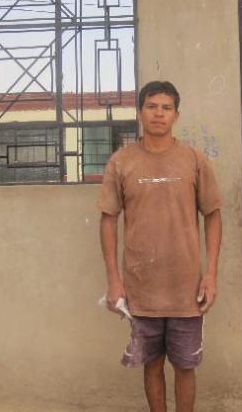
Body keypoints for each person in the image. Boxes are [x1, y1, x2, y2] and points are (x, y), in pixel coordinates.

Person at [97, 81, 223, 412]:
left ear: (176, 115)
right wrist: (114, 281)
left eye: (166, 108)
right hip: (142, 290)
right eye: (152, 106)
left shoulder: (193, 159)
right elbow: (108, 220)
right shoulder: (121, 162)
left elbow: (213, 215)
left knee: (185, 367)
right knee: (151, 365)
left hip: (186, 290)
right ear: (140, 112)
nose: (159, 114)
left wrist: (210, 274)